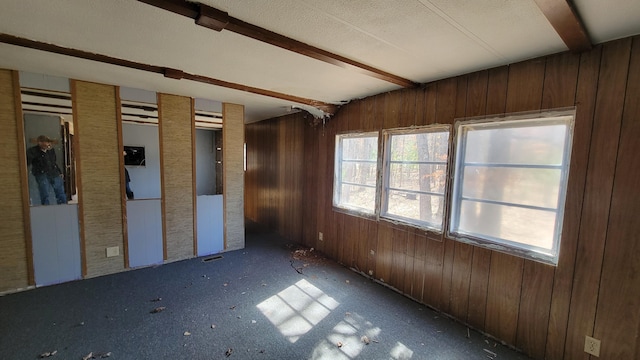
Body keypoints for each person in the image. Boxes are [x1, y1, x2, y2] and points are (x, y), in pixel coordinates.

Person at [26, 135, 67, 205]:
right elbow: (27, 161)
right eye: (43, 142)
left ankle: (63, 207)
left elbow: (53, 162)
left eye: (47, 142)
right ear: (39, 143)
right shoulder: (33, 151)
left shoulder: (51, 150)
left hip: (54, 173)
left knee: (60, 192)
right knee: (44, 193)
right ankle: (45, 208)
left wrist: (59, 172)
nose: (46, 144)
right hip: (41, 174)